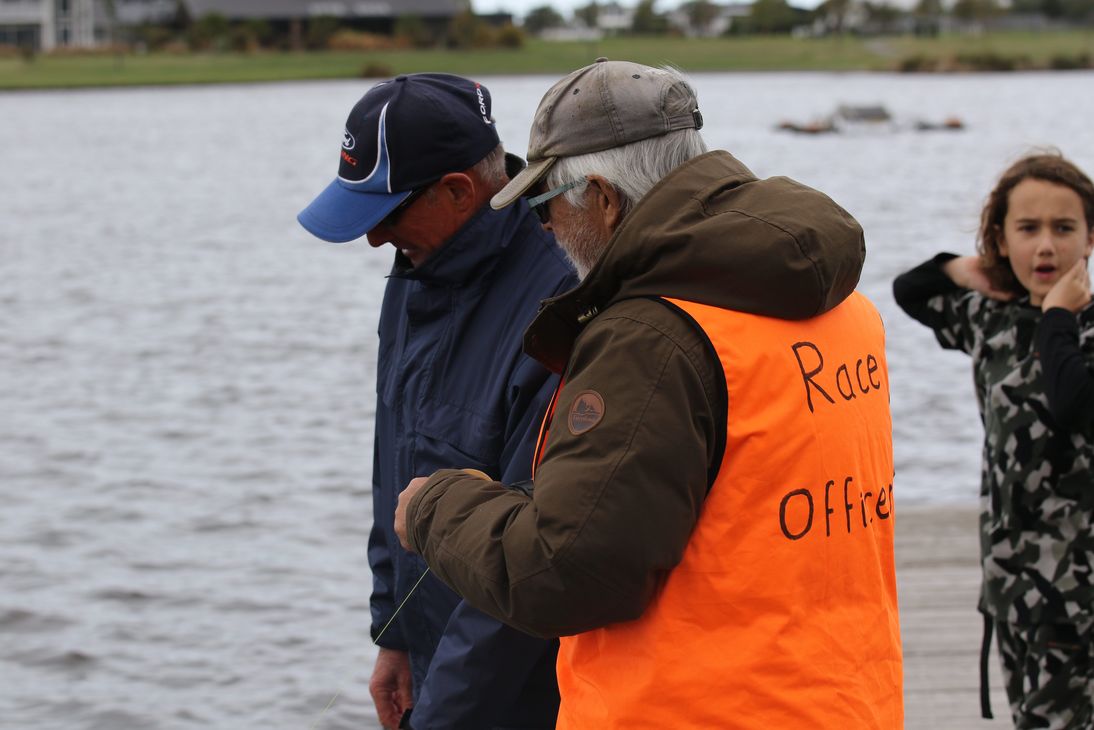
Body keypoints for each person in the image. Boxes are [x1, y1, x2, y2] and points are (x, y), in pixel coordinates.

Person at [393, 59, 904, 728]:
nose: (544, 227)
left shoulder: (650, 337)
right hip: (845, 701)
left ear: (602, 199)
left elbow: (566, 573)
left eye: (546, 203)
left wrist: (435, 507)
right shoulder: (842, 304)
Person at [297, 73, 576, 730]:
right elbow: (391, 465)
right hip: (437, 676)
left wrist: (442, 716)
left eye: (387, 214)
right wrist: (393, 634)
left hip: (521, 700)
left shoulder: (559, 314)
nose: (373, 238)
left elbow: (526, 571)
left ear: (457, 191)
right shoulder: (414, 273)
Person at [893, 152, 1094, 729]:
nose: (1046, 247)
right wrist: (970, 268)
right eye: (1027, 229)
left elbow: (1075, 403)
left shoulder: (1085, 329)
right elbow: (911, 289)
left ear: (1089, 238)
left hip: (1078, 597)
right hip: (1011, 585)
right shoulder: (991, 320)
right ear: (1001, 239)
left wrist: (1057, 318)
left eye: (1064, 228)